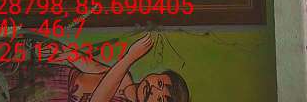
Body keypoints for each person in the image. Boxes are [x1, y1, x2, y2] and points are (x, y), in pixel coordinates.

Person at [12, 33, 190, 102]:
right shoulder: (124, 76)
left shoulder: (122, 70)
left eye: (160, 100)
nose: (153, 90)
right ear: (156, 74)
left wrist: (130, 57)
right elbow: (89, 65)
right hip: (54, 77)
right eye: (159, 83)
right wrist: (63, 52)